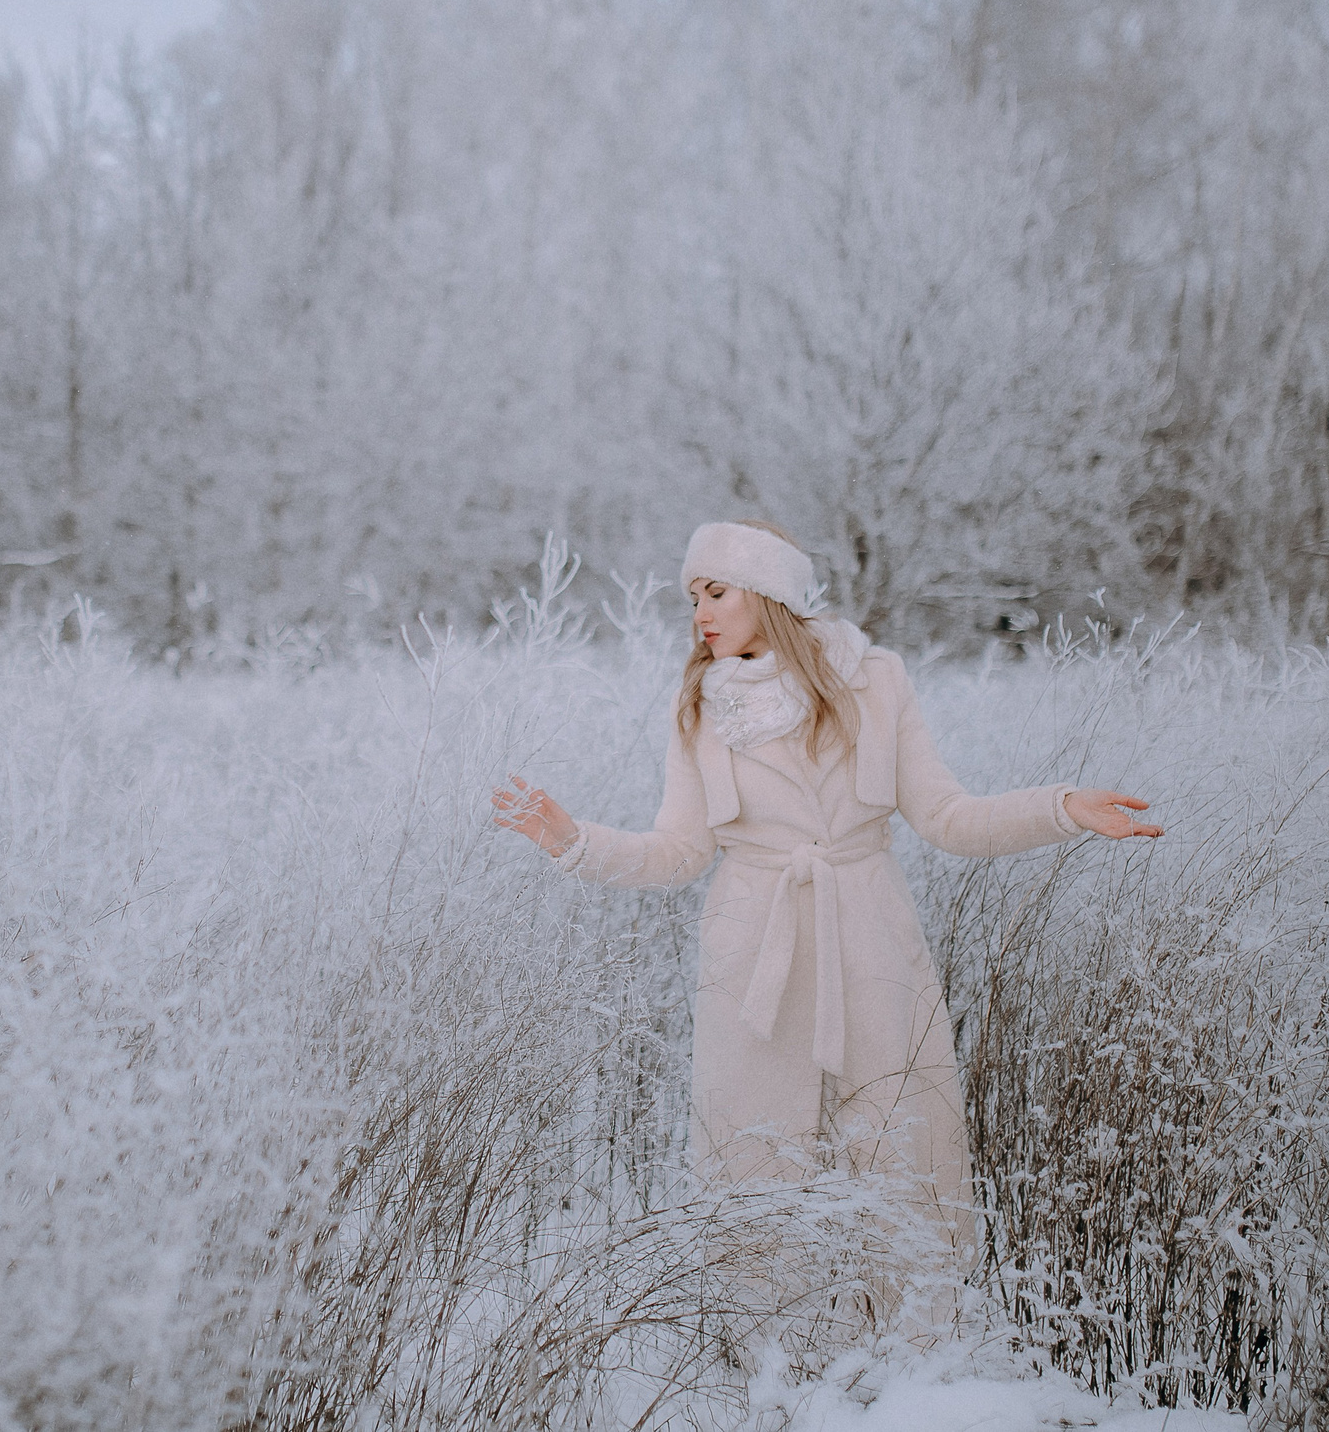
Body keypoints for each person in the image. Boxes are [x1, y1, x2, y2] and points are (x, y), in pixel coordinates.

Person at [490, 520, 1162, 1219]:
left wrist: (1062, 807)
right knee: (757, 1171)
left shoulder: (875, 682)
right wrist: (575, 841)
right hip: (755, 962)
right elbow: (678, 852)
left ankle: (915, 1328)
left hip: (870, 943)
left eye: (716, 592)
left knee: (899, 1161)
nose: (700, 615)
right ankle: (768, 1329)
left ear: (769, 589)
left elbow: (948, 817)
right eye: (693, 597)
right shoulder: (699, 706)